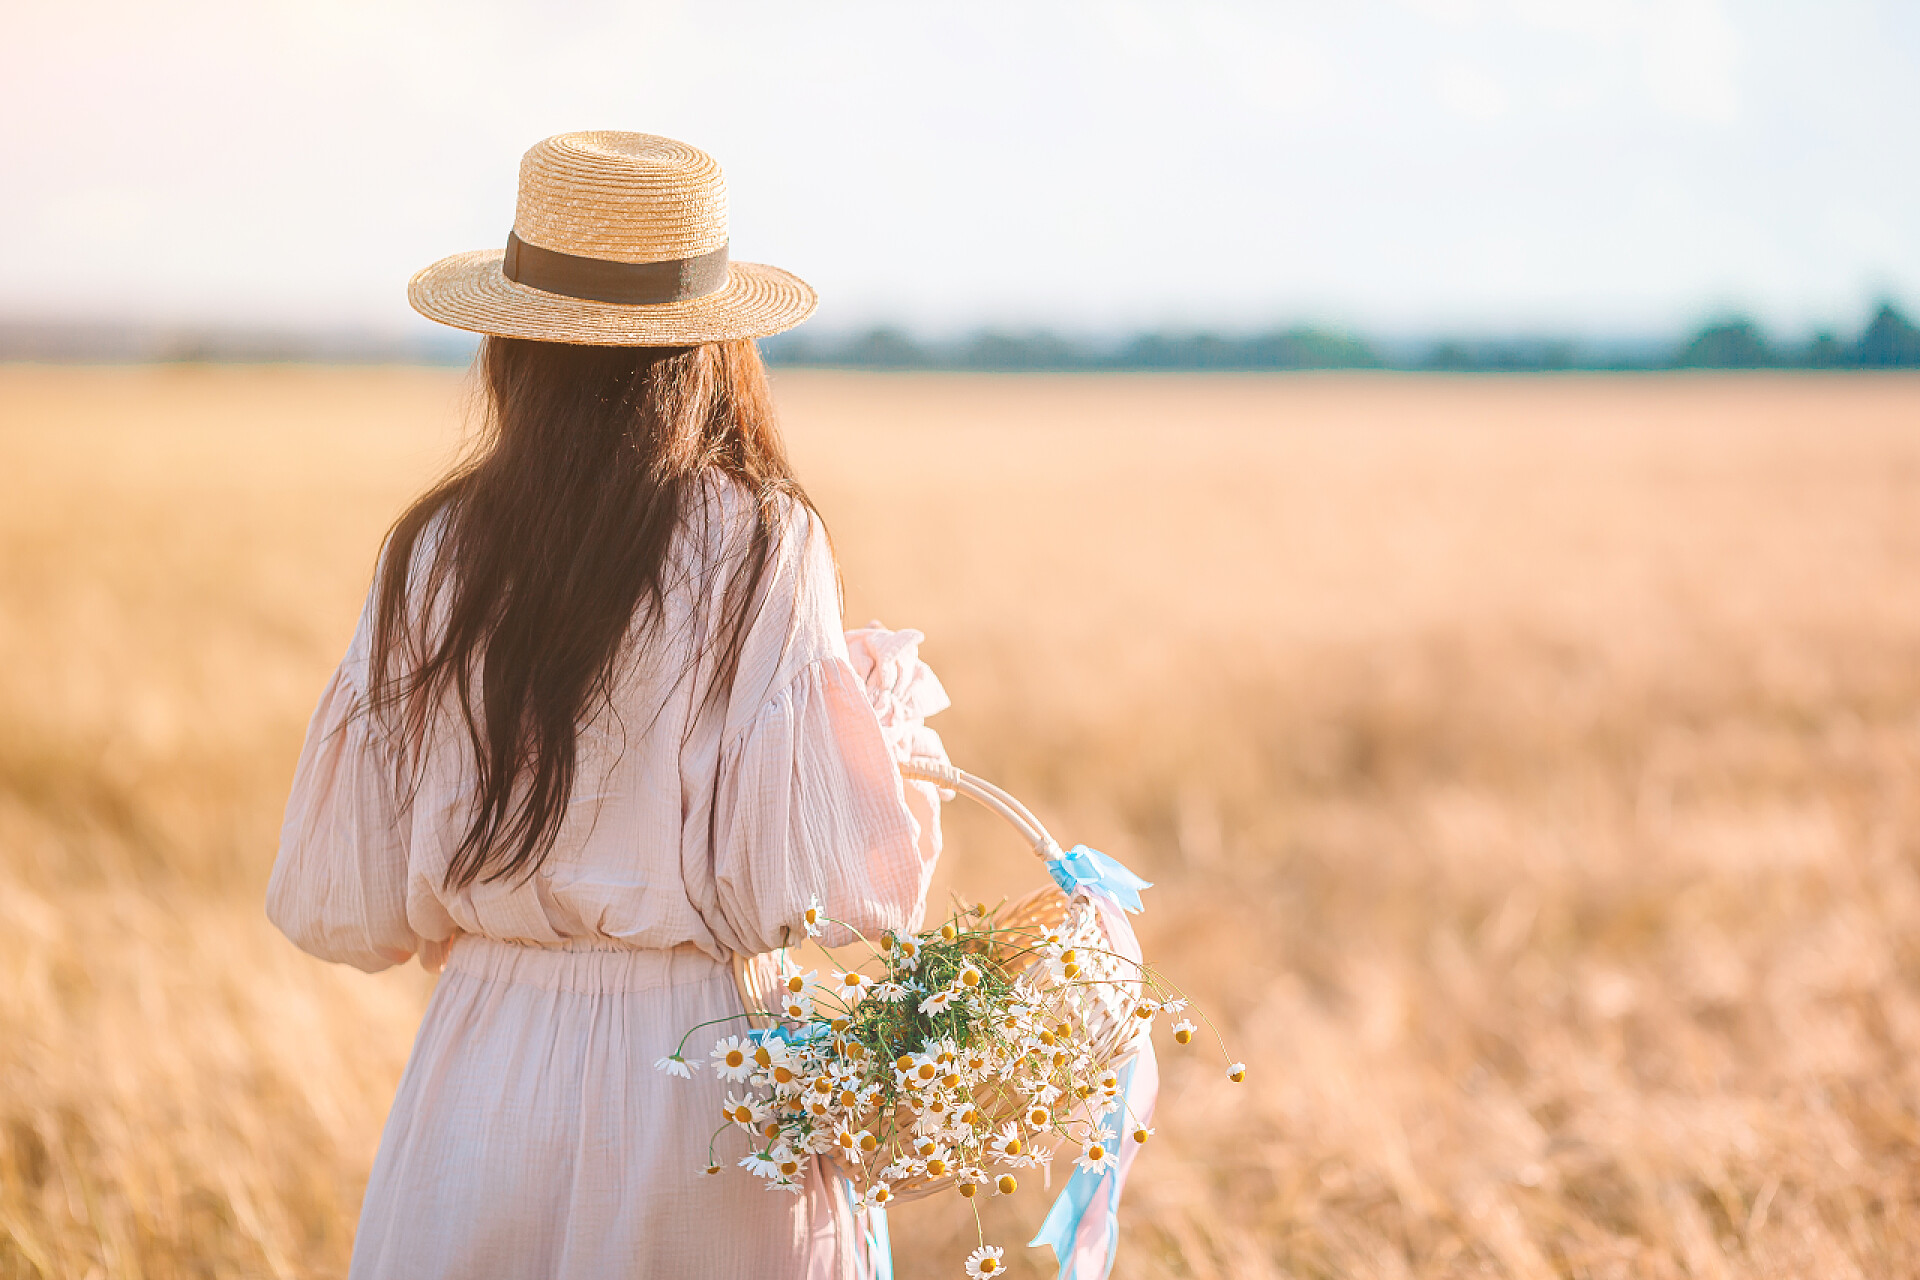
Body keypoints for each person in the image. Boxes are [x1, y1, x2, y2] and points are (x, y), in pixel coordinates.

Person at [267, 131, 948, 1279]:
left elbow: (347, 905)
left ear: (513, 340)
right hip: (708, 1079)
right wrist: (877, 740)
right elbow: (834, 892)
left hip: (481, 1074)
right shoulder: (763, 539)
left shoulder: (432, 546)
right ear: (714, 347)